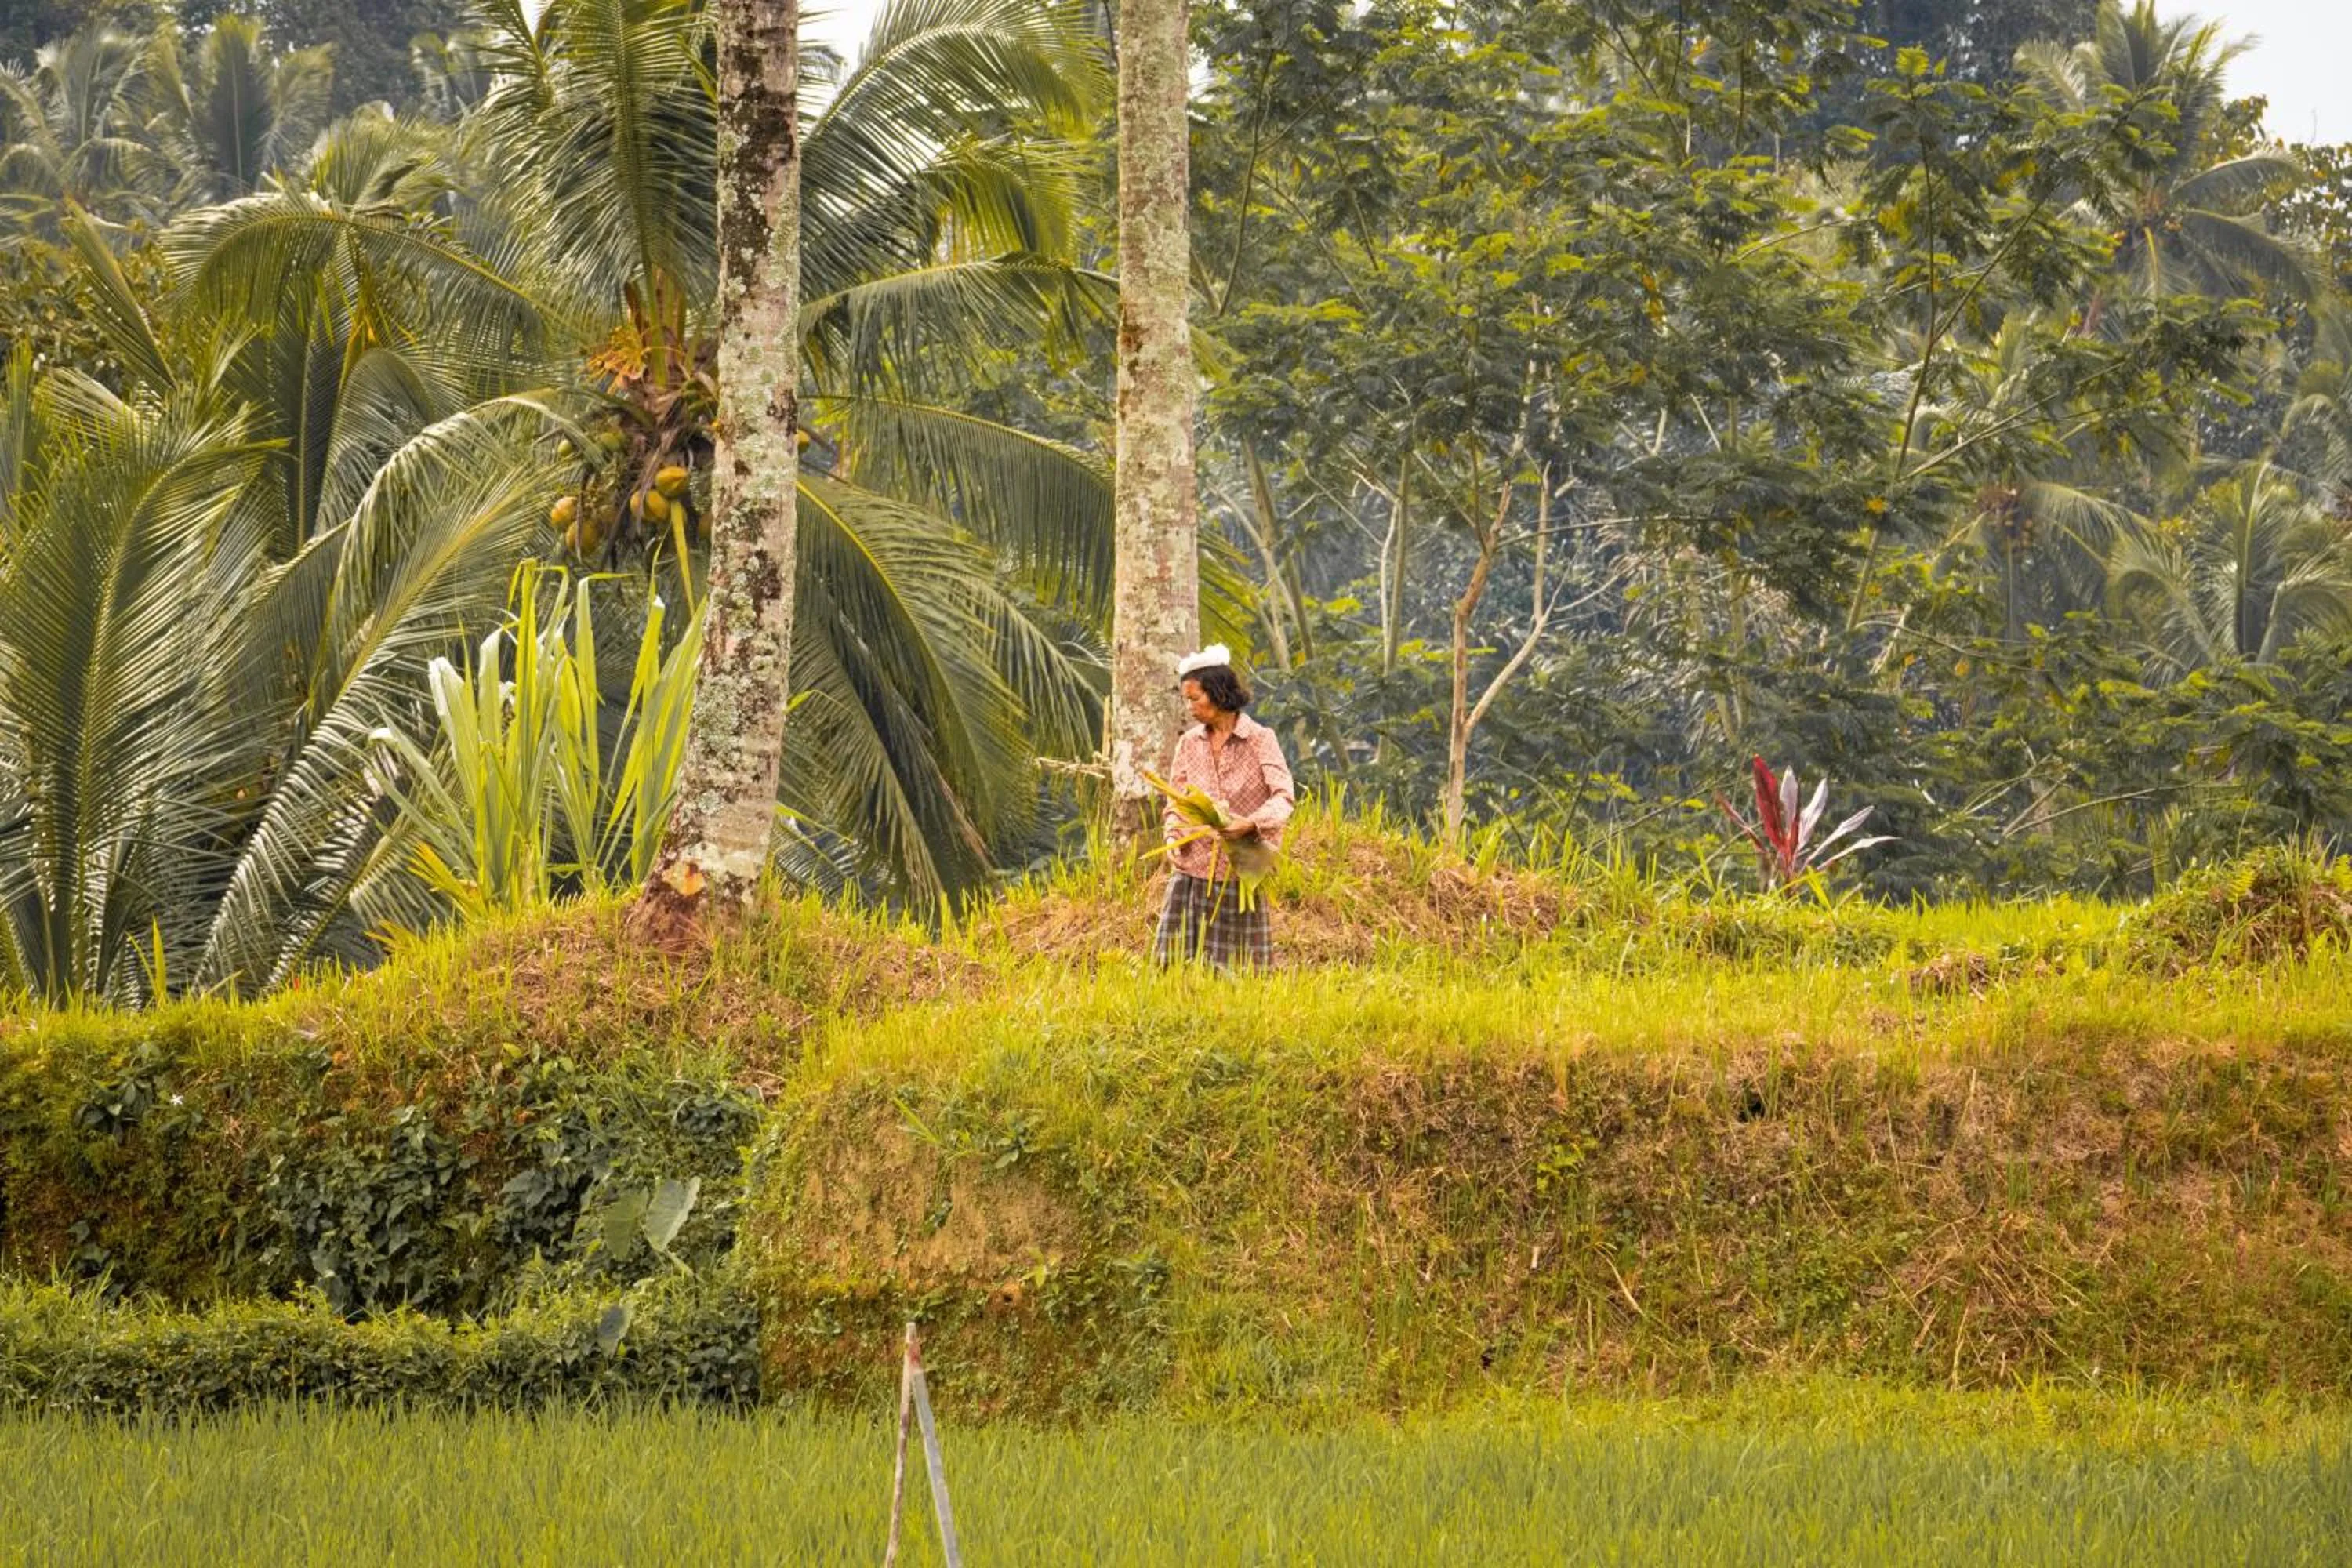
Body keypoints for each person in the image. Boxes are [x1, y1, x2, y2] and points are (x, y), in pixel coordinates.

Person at [1154, 644, 1294, 970]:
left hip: (1241, 868)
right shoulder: (1189, 743)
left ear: (1219, 693)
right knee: (1178, 966)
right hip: (1194, 867)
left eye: (1195, 698)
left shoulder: (1260, 739)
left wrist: (1251, 824)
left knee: (1242, 968)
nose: (1190, 707)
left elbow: (1283, 796)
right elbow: (1176, 801)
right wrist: (1172, 836)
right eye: (1186, 700)